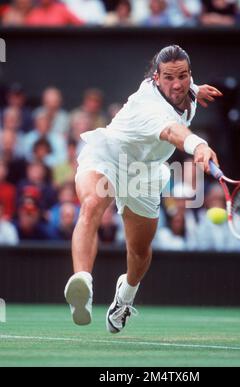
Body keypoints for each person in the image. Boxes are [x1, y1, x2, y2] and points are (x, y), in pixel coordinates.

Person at [64, 45, 222, 333]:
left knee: (139, 251)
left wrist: (196, 89)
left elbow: (184, 88)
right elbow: (174, 132)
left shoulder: (186, 89)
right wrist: (198, 144)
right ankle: (82, 286)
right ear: (156, 77)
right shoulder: (149, 106)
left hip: (145, 171)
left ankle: (124, 297)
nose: (177, 84)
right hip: (109, 154)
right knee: (92, 204)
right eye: (169, 78)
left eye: (183, 76)